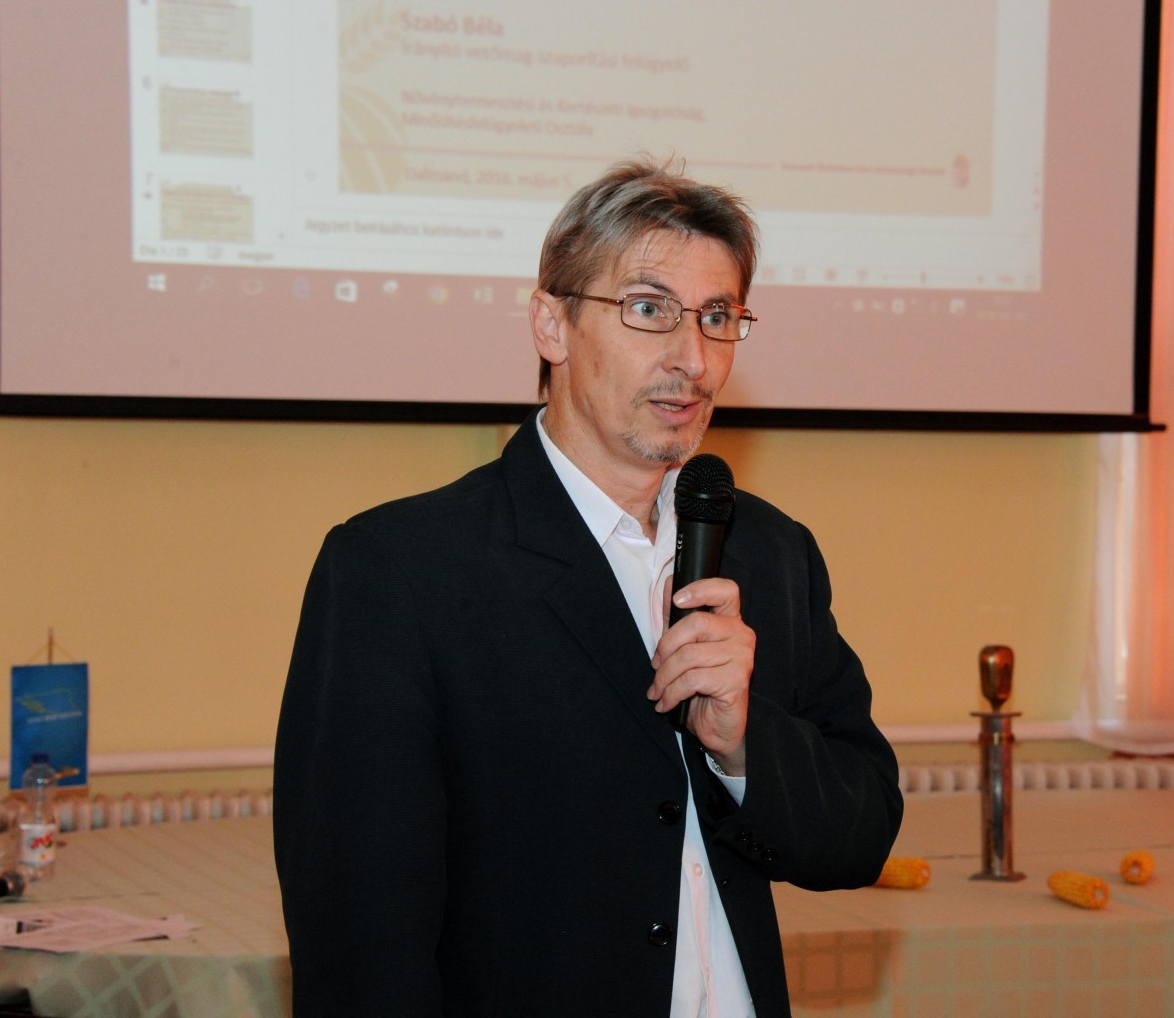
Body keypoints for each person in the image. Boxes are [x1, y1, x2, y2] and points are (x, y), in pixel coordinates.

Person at [274, 158, 903, 1017]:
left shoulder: (769, 551)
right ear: (551, 325)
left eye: (717, 318)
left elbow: (860, 838)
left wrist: (744, 743)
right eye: (648, 309)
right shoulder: (401, 569)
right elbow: (358, 935)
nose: (692, 359)